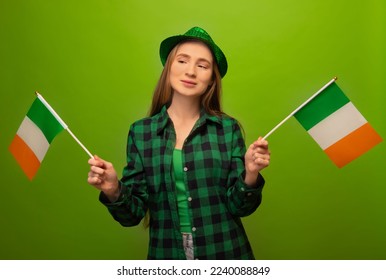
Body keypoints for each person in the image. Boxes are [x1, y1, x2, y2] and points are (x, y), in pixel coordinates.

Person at [87, 26, 271, 260]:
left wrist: (251, 174)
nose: (191, 72)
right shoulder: (141, 133)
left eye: (202, 65)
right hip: (166, 255)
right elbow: (131, 216)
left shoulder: (228, 130)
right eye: (182, 61)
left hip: (226, 252)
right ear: (169, 68)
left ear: (211, 78)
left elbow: (240, 207)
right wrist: (113, 189)